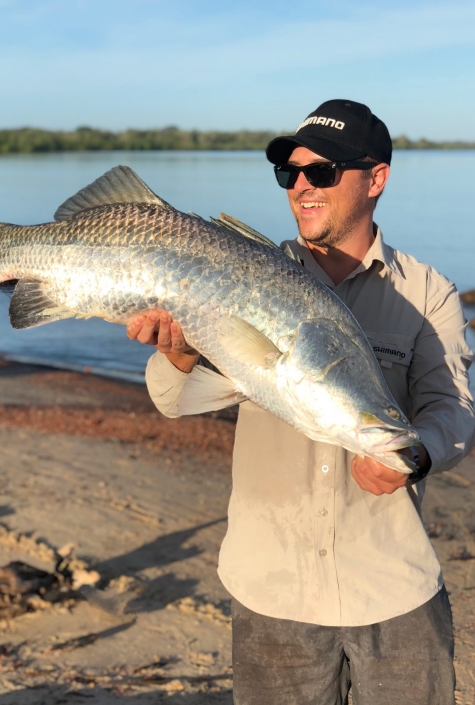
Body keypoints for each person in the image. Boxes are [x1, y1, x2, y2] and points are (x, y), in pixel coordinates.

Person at [127, 99, 475, 704]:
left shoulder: (428, 293)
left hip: (392, 590)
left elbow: (454, 409)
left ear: (377, 178)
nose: (303, 187)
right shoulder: (235, 273)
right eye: (290, 173)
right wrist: (179, 355)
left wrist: (415, 457)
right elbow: (173, 402)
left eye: (324, 172)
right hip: (271, 591)